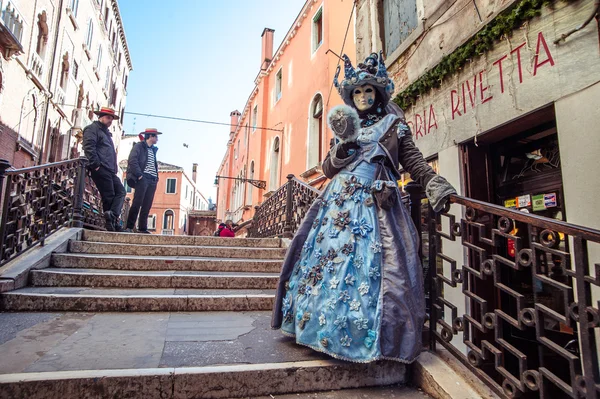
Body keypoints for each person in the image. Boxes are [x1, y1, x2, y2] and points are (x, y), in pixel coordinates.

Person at [271, 52, 456, 364]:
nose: (363, 96)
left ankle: (370, 339)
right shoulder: (347, 128)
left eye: (368, 90)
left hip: (375, 204)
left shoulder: (392, 125)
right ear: (351, 97)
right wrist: (342, 150)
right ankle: (319, 330)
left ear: (378, 93)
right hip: (336, 204)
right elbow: (328, 169)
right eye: (357, 92)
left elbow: (411, 159)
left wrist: (432, 182)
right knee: (329, 265)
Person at [82, 107, 125, 232]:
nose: (110, 120)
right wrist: (96, 165)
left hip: (110, 170)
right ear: (100, 117)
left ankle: (113, 216)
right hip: (101, 168)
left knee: (121, 191)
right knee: (109, 196)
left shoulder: (106, 133)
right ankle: (112, 225)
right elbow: (89, 146)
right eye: (108, 117)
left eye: (112, 118)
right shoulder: (92, 129)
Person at [124, 128, 162, 234]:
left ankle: (142, 228)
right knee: (137, 202)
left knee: (147, 204)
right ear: (150, 136)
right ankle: (129, 227)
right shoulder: (139, 146)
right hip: (143, 177)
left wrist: (156, 178)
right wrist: (139, 175)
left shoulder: (153, 150)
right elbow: (132, 160)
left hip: (153, 179)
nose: (157, 139)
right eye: (156, 136)